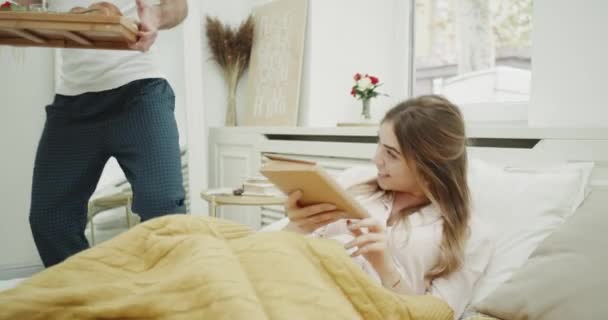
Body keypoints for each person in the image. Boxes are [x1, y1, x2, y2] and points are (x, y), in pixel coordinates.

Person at [281, 95, 493, 319]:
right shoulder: (353, 188)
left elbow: (434, 315)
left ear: (430, 165)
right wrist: (296, 226)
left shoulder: (469, 235)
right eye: (379, 145)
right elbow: (285, 254)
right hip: (295, 285)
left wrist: (385, 267)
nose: (376, 159)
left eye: (391, 154)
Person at [29, 0, 189, 267]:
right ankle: (85, 297)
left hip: (140, 93)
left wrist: (157, 16)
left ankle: (166, 299)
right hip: (73, 104)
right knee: (50, 220)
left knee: (163, 207)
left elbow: (179, 6)